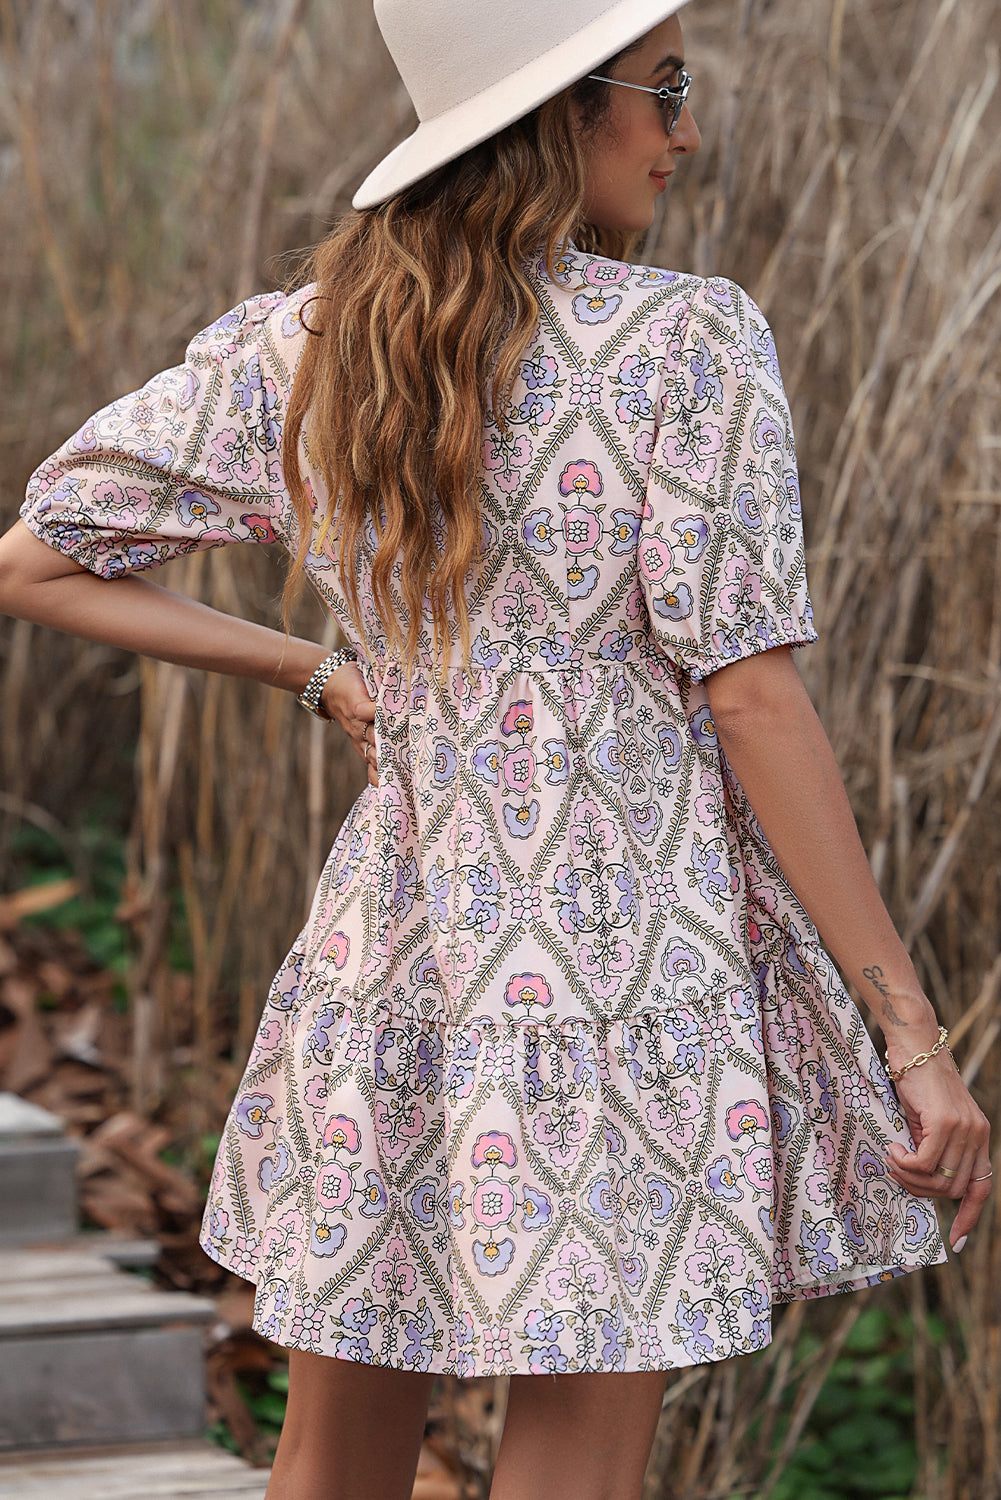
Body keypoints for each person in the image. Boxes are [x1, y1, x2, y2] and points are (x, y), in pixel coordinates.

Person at [0, 0, 992, 1496]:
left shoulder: (307, 347)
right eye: (663, 92)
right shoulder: (684, 343)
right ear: (563, 115)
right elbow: (751, 699)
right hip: (629, 965)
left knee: (331, 1456)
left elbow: (36, 559)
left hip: (398, 952)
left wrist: (321, 673)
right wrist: (907, 1036)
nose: (685, 131)